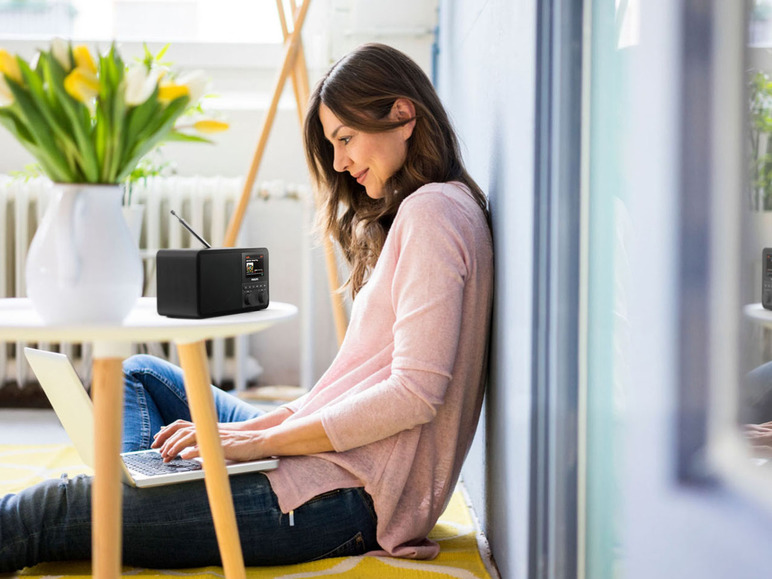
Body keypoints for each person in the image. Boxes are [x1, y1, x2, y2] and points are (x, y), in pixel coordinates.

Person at [0, 42, 494, 570]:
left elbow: (412, 396)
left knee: (51, 508)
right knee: (139, 374)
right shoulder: (437, 209)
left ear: (403, 114)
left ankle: (130, 505)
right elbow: (355, 391)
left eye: (345, 138)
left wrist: (260, 443)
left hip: (347, 498)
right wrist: (248, 434)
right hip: (331, 462)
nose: (339, 162)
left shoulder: (432, 215)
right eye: (332, 144)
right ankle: (149, 492)